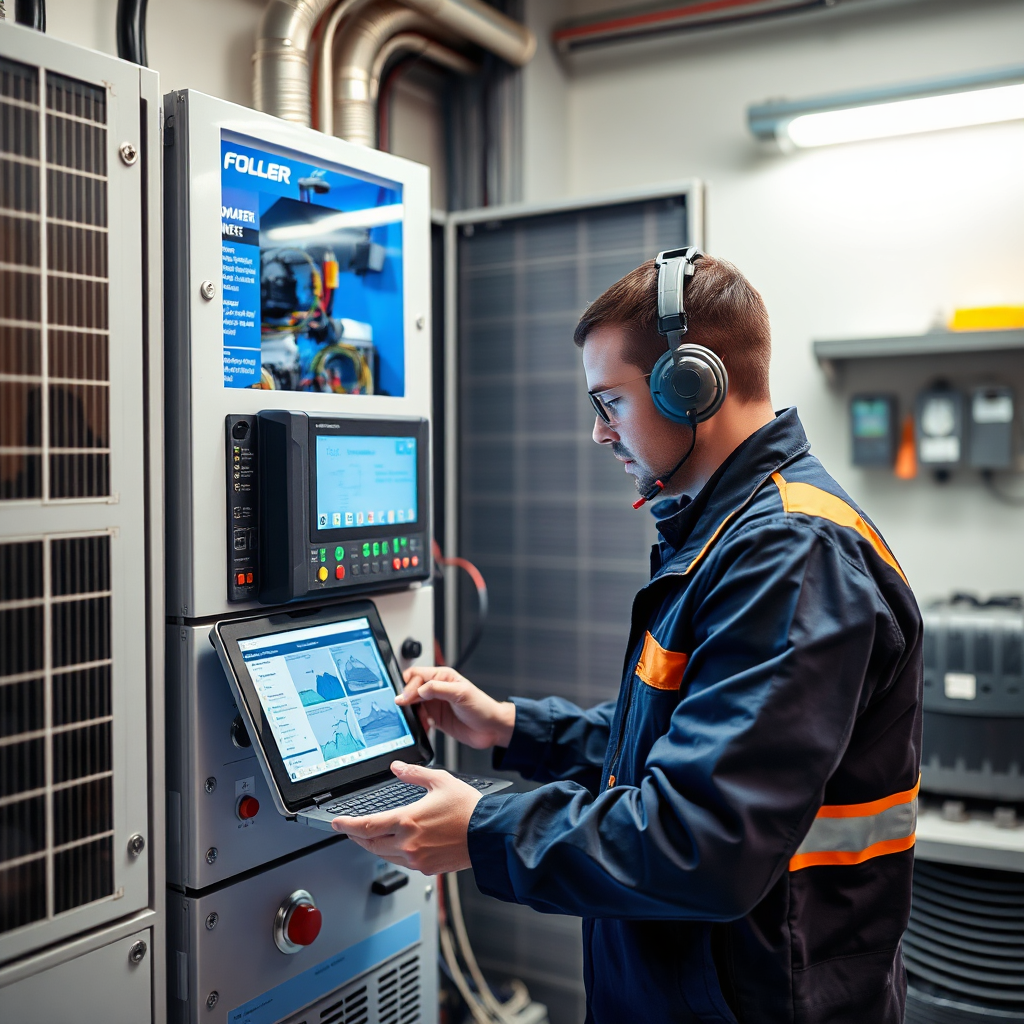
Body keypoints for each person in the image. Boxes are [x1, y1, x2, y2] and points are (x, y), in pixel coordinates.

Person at [331, 253, 923, 1024]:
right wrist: (513, 727)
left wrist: (482, 829)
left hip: (760, 999)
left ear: (692, 385)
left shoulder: (790, 554)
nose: (599, 431)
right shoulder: (733, 536)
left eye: (611, 401)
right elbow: (690, 743)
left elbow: (699, 842)